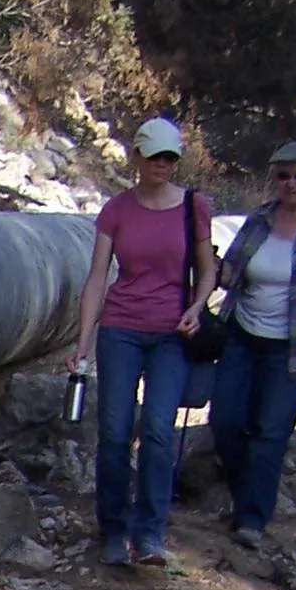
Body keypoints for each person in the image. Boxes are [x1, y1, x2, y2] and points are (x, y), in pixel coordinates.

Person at [70, 116, 217, 567]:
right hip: (121, 328)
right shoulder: (117, 210)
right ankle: (113, 528)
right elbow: (98, 278)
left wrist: (197, 305)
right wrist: (82, 343)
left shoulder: (195, 207)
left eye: (171, 156)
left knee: (157, 430)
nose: (164, 164)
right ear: (137, 156)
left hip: (171, 332)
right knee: (115, 430)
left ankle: (149, 533)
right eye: (155, 156)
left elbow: (207, 267)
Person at [210, 140, 296, 548]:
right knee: (226, 420)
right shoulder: (259, 220)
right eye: (284, 175)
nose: (291, 184)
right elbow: (231, 270)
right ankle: (243, 495)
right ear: (273, 178)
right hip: (242, 333)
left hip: (294, 347)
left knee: (271, 431)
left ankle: (251, 519)